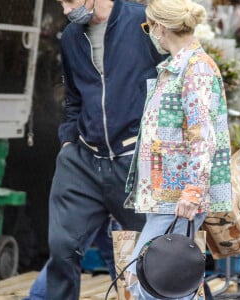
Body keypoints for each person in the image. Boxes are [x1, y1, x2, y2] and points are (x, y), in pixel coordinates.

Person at [47, 0, 164, 299]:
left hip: (136, 160)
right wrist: (68, 141)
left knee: (159, 254)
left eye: (69, 1)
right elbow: (73, 96)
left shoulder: (144, 21)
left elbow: (176, 77)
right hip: (83, 159)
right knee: (62, 247)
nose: (64, 9)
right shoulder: (72, 36)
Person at [123, 0, 232, 299]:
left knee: (153, 282)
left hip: (177, 194)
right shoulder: (176, 68)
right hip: (166, 193)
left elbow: (203, 136)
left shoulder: (195, 69)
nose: (149, 33)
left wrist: (193, 190)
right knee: (159, 281)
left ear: (159, 27)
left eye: (148, 27)